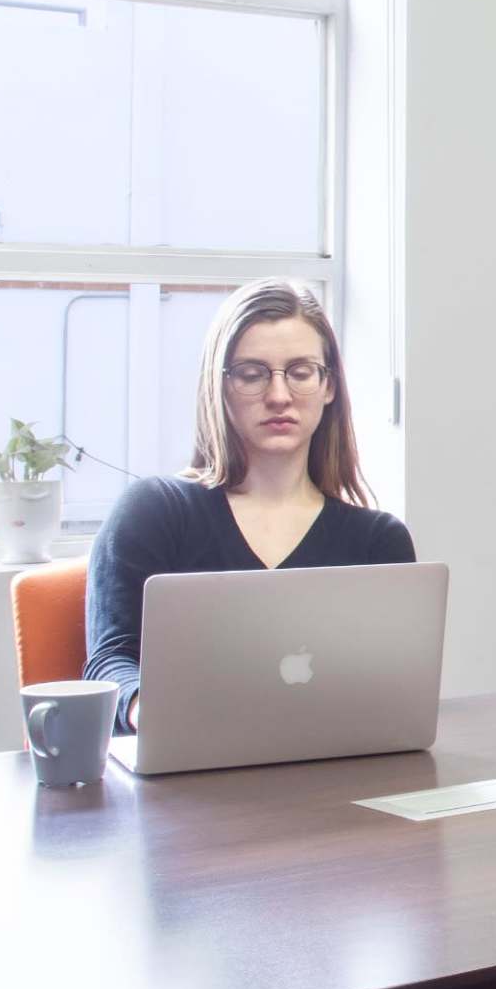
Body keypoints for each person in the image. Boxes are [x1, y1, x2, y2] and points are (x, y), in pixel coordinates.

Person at [85, 278, 414, 730]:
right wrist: (154, 713)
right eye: (252, 374)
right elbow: (109, 661)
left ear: (328, 386)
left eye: (300, 372)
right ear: (219, 386)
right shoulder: (155, 512)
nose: (278, 396)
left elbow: (394, 688)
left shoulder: (379, 542)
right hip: (184, 780)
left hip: (332, 771)